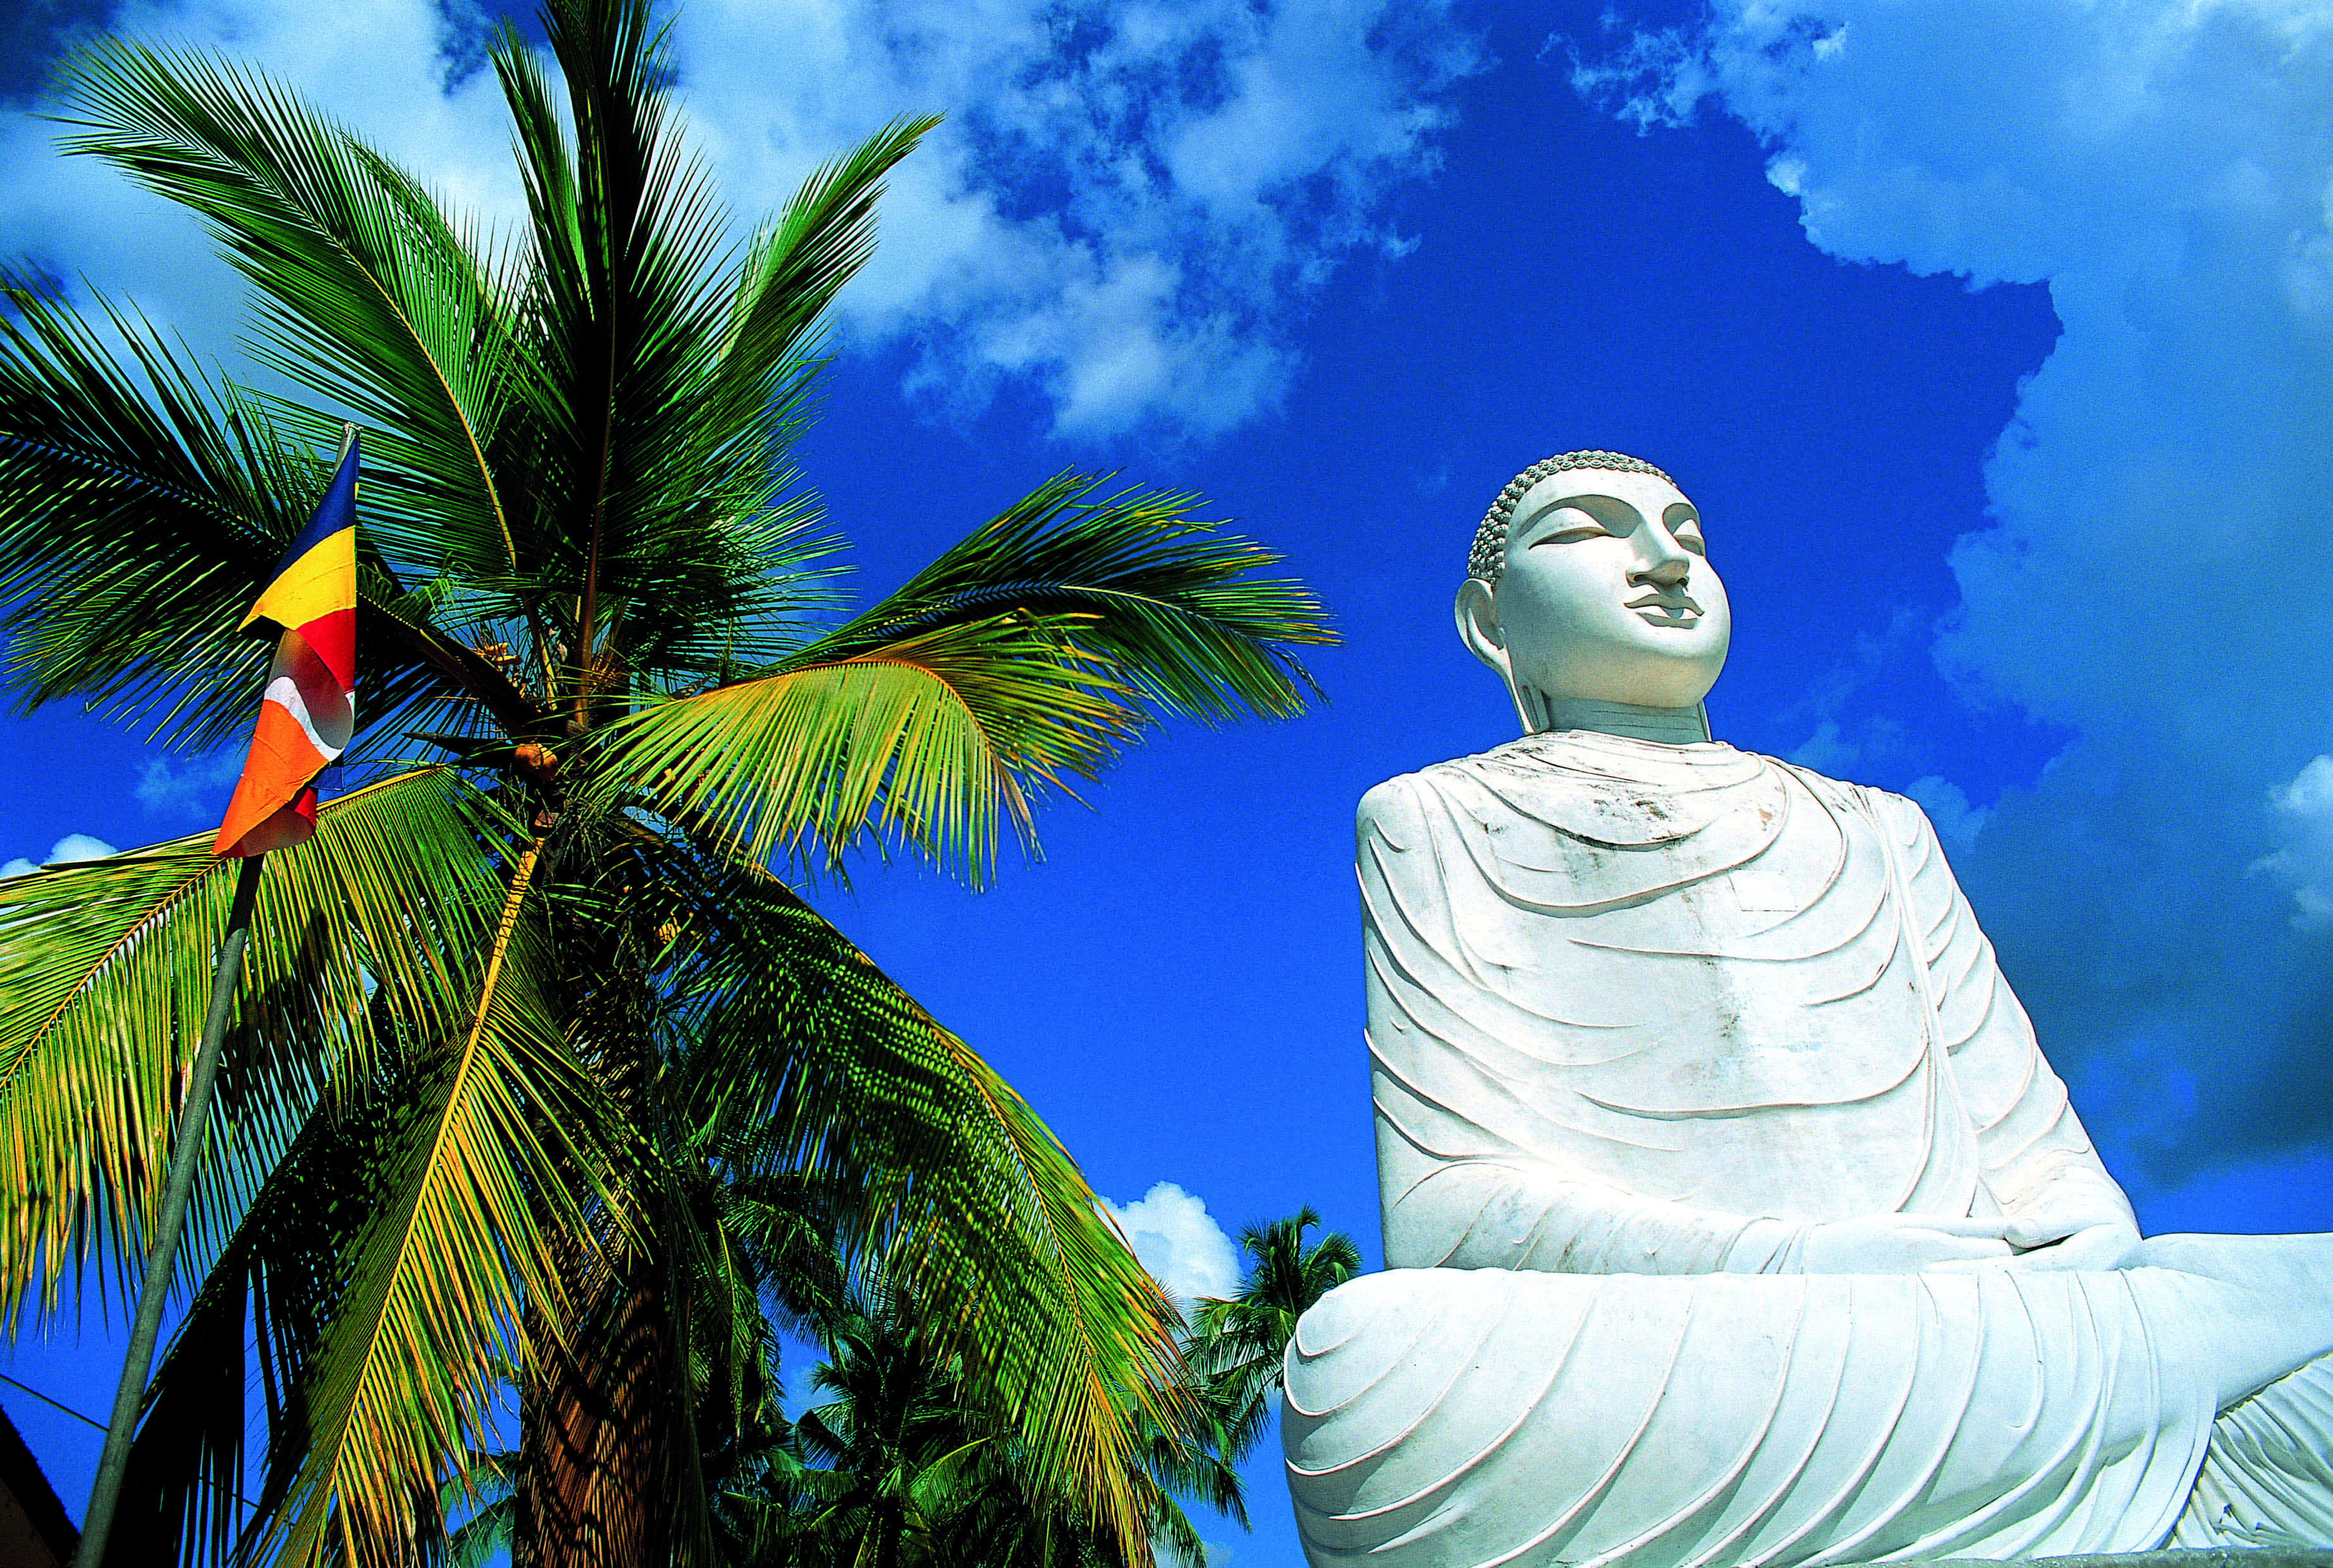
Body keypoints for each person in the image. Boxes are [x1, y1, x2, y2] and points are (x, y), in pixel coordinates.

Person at [1282, 450, 2333, 1568]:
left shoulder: (1878, 826)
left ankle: (2139, 1403)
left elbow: (2044, 1160)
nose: (1661, 563)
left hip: (2010, 1313)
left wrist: (2067, 1238)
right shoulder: (1430, 817)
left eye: (1687, 535)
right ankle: (2157, 1420)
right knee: (1370, 1365)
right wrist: (1815, 1263)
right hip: (1725, 1335)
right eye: (1589, 532)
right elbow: (1452, 1216)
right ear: (1488, 621)